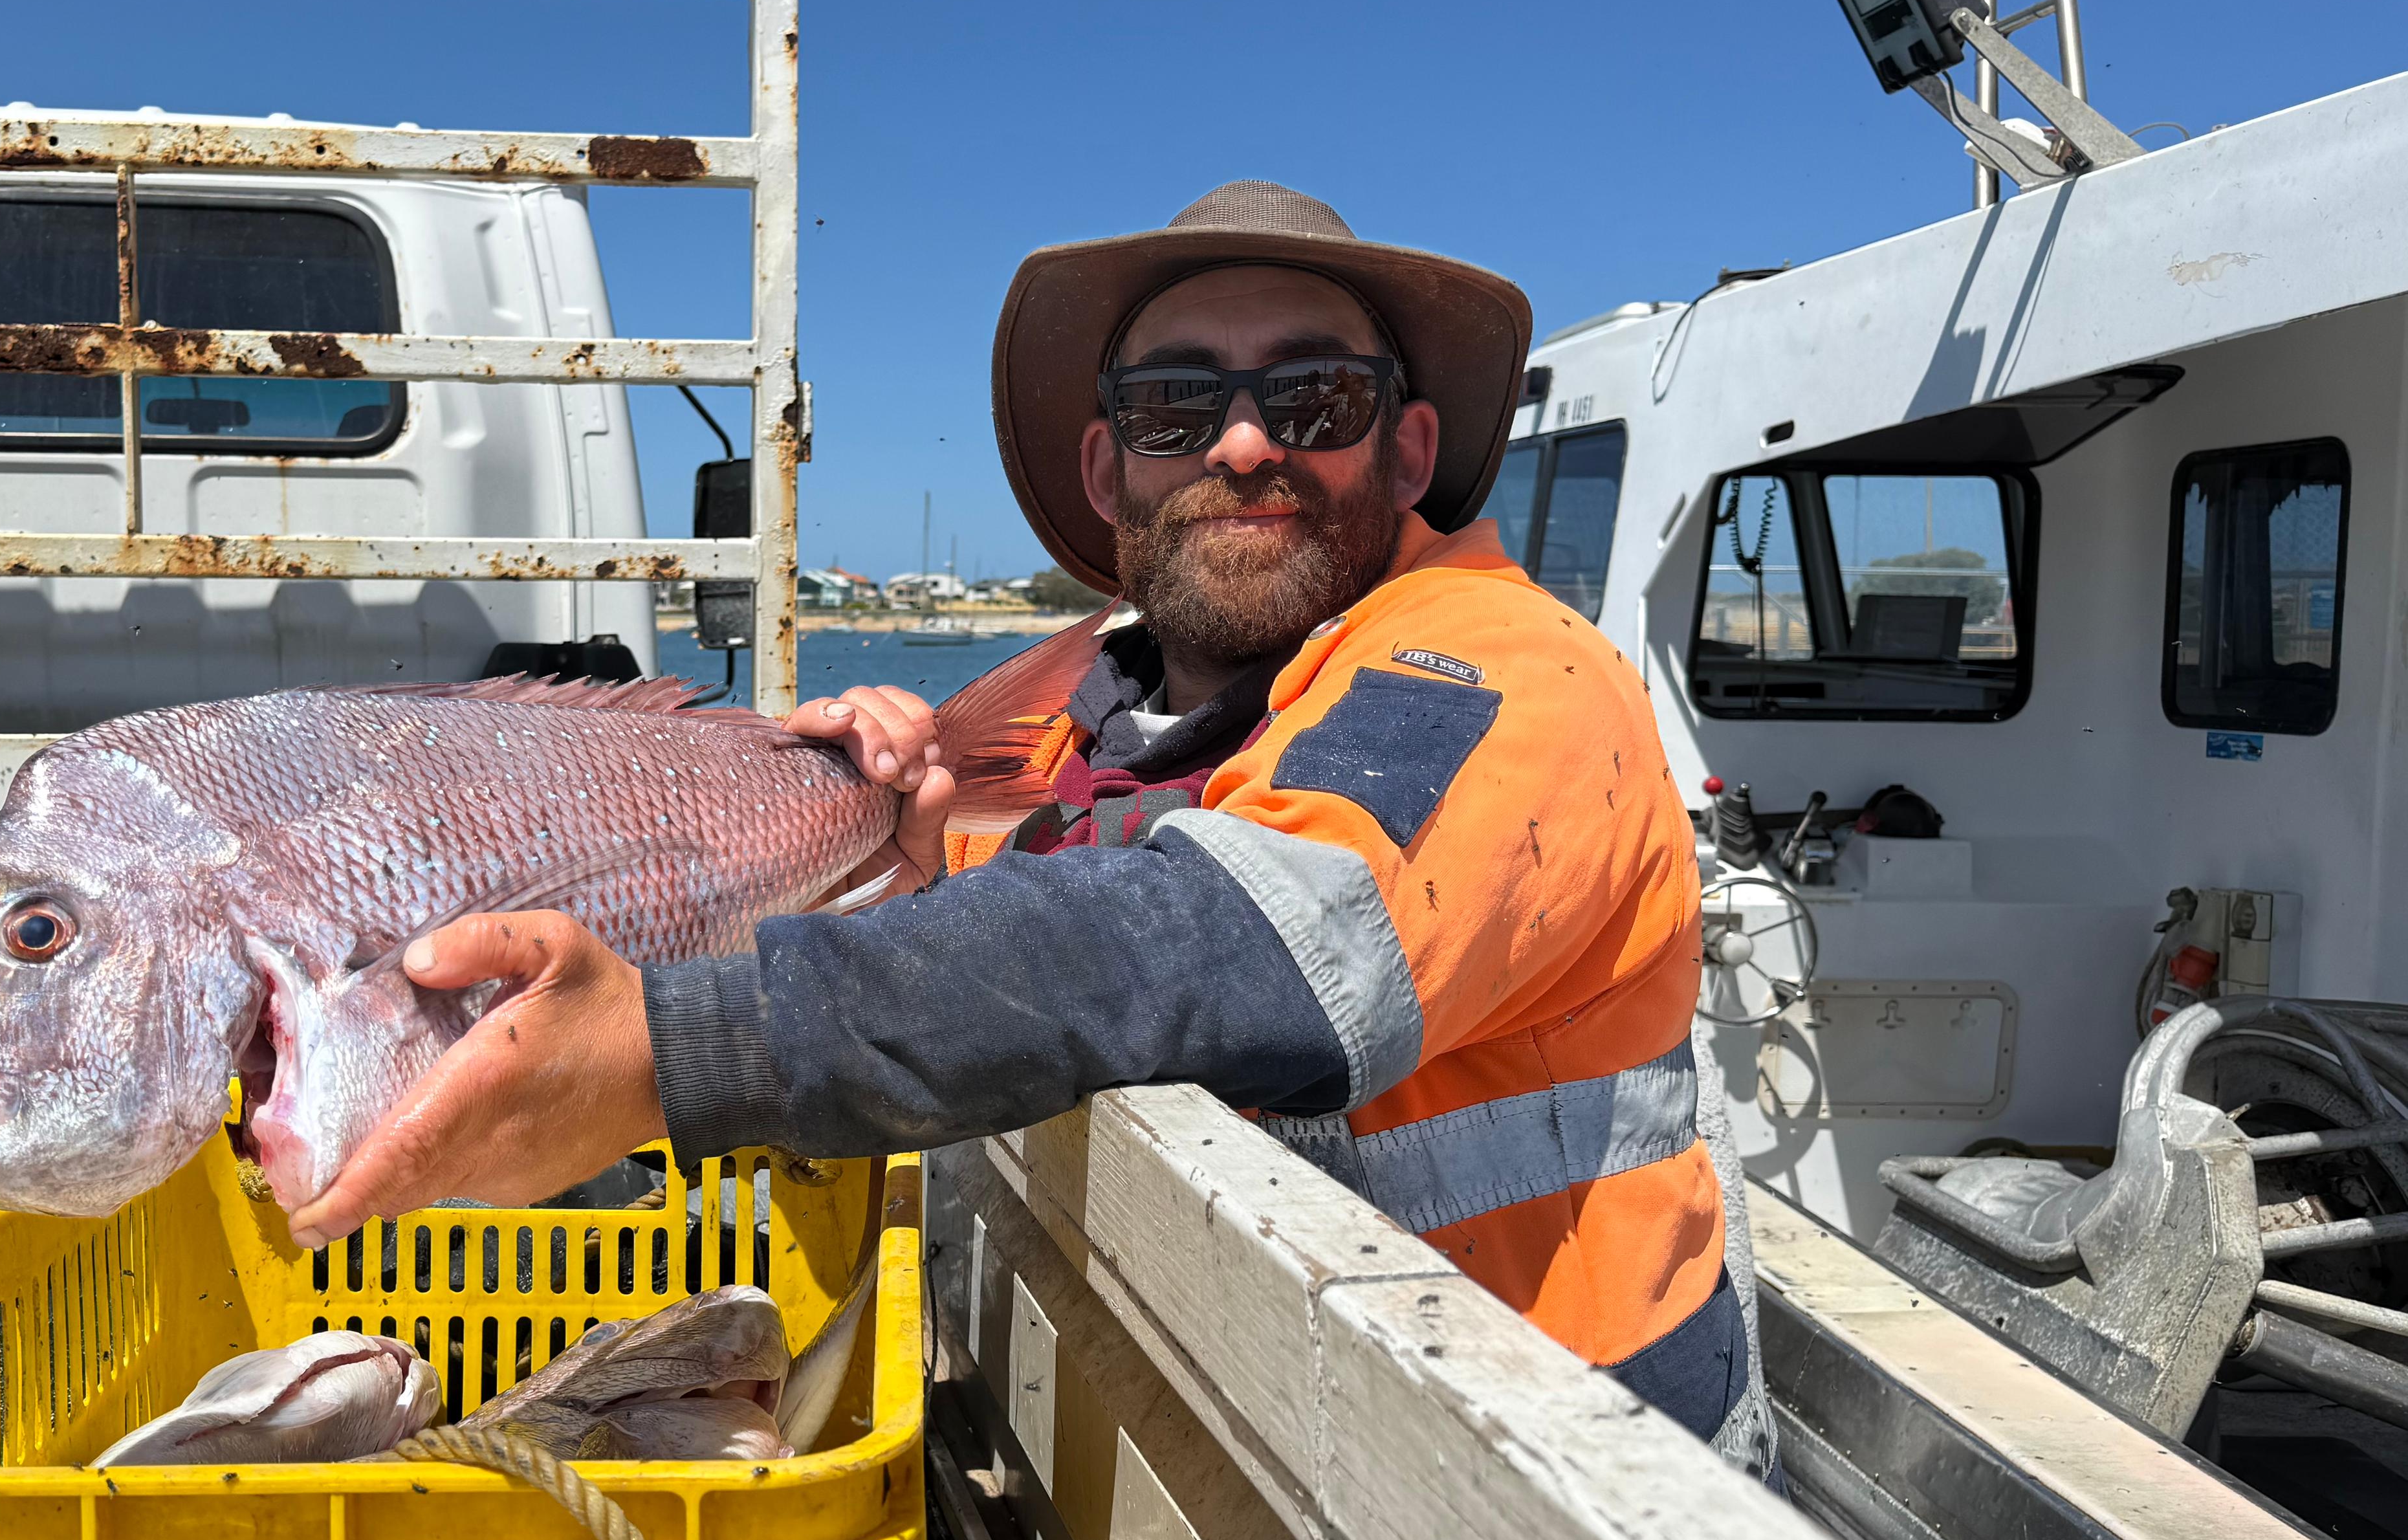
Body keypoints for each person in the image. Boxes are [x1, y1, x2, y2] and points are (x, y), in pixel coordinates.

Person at [286, 182, 1750, 1447]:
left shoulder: (1508, 671)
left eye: (1314, 401)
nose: (1244, 447)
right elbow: (991, 955)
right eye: (1178, 405)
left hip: (1552, 1499)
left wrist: (679, 1049)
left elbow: (1227, 945)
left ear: (1409, 454)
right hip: (1210, 1454)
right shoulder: (1064, 705)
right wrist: (850, 841)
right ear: (1111, 466)